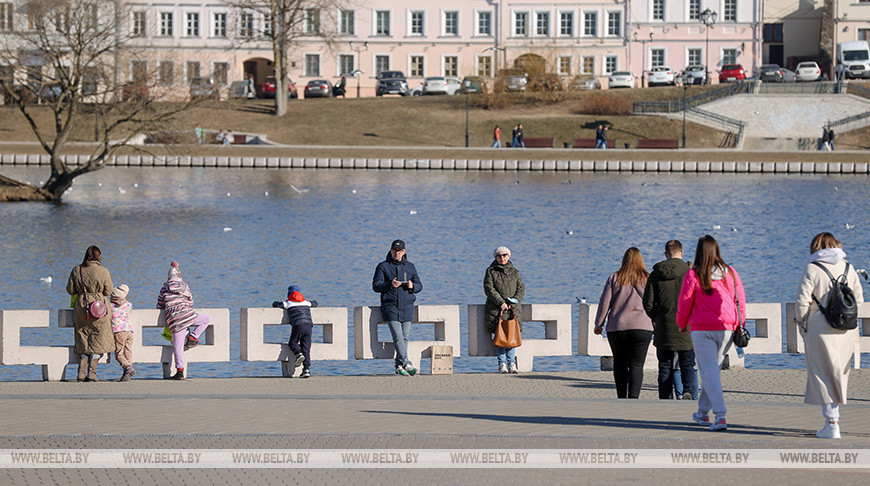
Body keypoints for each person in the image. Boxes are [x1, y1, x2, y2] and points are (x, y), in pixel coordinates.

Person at [795, 232, 863, 439]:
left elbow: (801, 302)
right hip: (845, 329)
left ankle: (831, 423)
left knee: (821, 373)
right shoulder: (849, 267)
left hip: (819, 329)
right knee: (839, 373)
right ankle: (835, 419)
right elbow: (858, 299)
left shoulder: (812, 268)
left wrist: (803, 323)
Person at [677, 235, 746, 431]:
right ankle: (702, 412)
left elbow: (685, 302)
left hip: (702, 329)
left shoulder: (694, 274)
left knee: (709, 372)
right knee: (712, 372)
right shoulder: (730, 273)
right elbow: (740, 300)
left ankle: (721, 416)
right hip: (727, 328)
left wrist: (681, 324)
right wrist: (741, 324)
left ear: (699, 251)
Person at [593, 247, 653, 398]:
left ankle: (621, 396)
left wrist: (599, 324)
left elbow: (604, 302)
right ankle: (633, 398)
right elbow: (653, 302)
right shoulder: (648, 278)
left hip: (617, 327)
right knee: (637, 365)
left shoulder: (615, 278)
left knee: (619, 363)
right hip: (642, 327)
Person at [643, 239, 697, 400]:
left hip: (664, 327)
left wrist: (658, 318)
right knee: (688, 365)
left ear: (666, 254)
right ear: (681, 253)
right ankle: (689, 393)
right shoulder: (691, 273)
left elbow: (647, 304)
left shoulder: (655, 275)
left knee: (665, 367)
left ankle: (665, 399)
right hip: (686, 327)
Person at [373, 239, 423, 376]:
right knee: (398, 337)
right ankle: (407, 363)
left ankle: (398, 366)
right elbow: (376, 286)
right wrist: (390, 284)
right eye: (395, 251)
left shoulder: (410, 266)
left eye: (400, 251)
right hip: (390, 306)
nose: (397, 253)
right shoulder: (383, 266)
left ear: (404, 252)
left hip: (407, 306)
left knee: (405, 337)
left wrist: (413, 286)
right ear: (391, 250)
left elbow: (420, 286)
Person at [66, 246, 114, 382]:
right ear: (99, 257)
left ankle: (81, 374)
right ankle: (92, 374)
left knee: (83, 338)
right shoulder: (104, 271)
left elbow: (70, 290)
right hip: (99, 309)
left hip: (82, 308)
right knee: (99, 339)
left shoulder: (77, 269)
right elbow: (109, 290)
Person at [156, 261, 211, 380]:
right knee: (206, 319)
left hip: (175, 319)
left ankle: (180, 372)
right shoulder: (185, 286)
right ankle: (193, 337)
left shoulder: (164, 289)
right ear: (179, 276)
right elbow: (191, 301)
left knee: (178, 346)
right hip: (187, 314)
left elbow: (160, 305)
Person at [484, 246, 525, 374]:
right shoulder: (491, 271)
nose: (502, 258)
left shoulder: (515, 272)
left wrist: (514, 302)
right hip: (496, 310)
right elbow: (489, 288)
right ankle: (502, 364)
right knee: (500, 337)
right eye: (499, 255)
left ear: (509, 256)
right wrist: (501, 302)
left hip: (512, 310)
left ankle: (512, 363)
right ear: (495, 257)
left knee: (512, 336)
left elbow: (521, 288)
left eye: (505, 255)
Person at [272, 285, 319, 378]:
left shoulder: (288, 303)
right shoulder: (306, 303)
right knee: (306, 348)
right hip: (309, 327)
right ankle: (306, 369)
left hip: (298, 326)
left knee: (292, 343)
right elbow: (315, 303)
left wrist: (276, 303)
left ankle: (298, 354)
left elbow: (275, 304)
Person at [111, 284, 136, 382]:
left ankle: (128, 368)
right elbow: (129, 307)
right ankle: (127, 374)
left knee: (119, 354)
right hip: (129, 331)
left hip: (119, 332)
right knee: (128, 352)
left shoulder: (110, 306)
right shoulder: (128, 305)